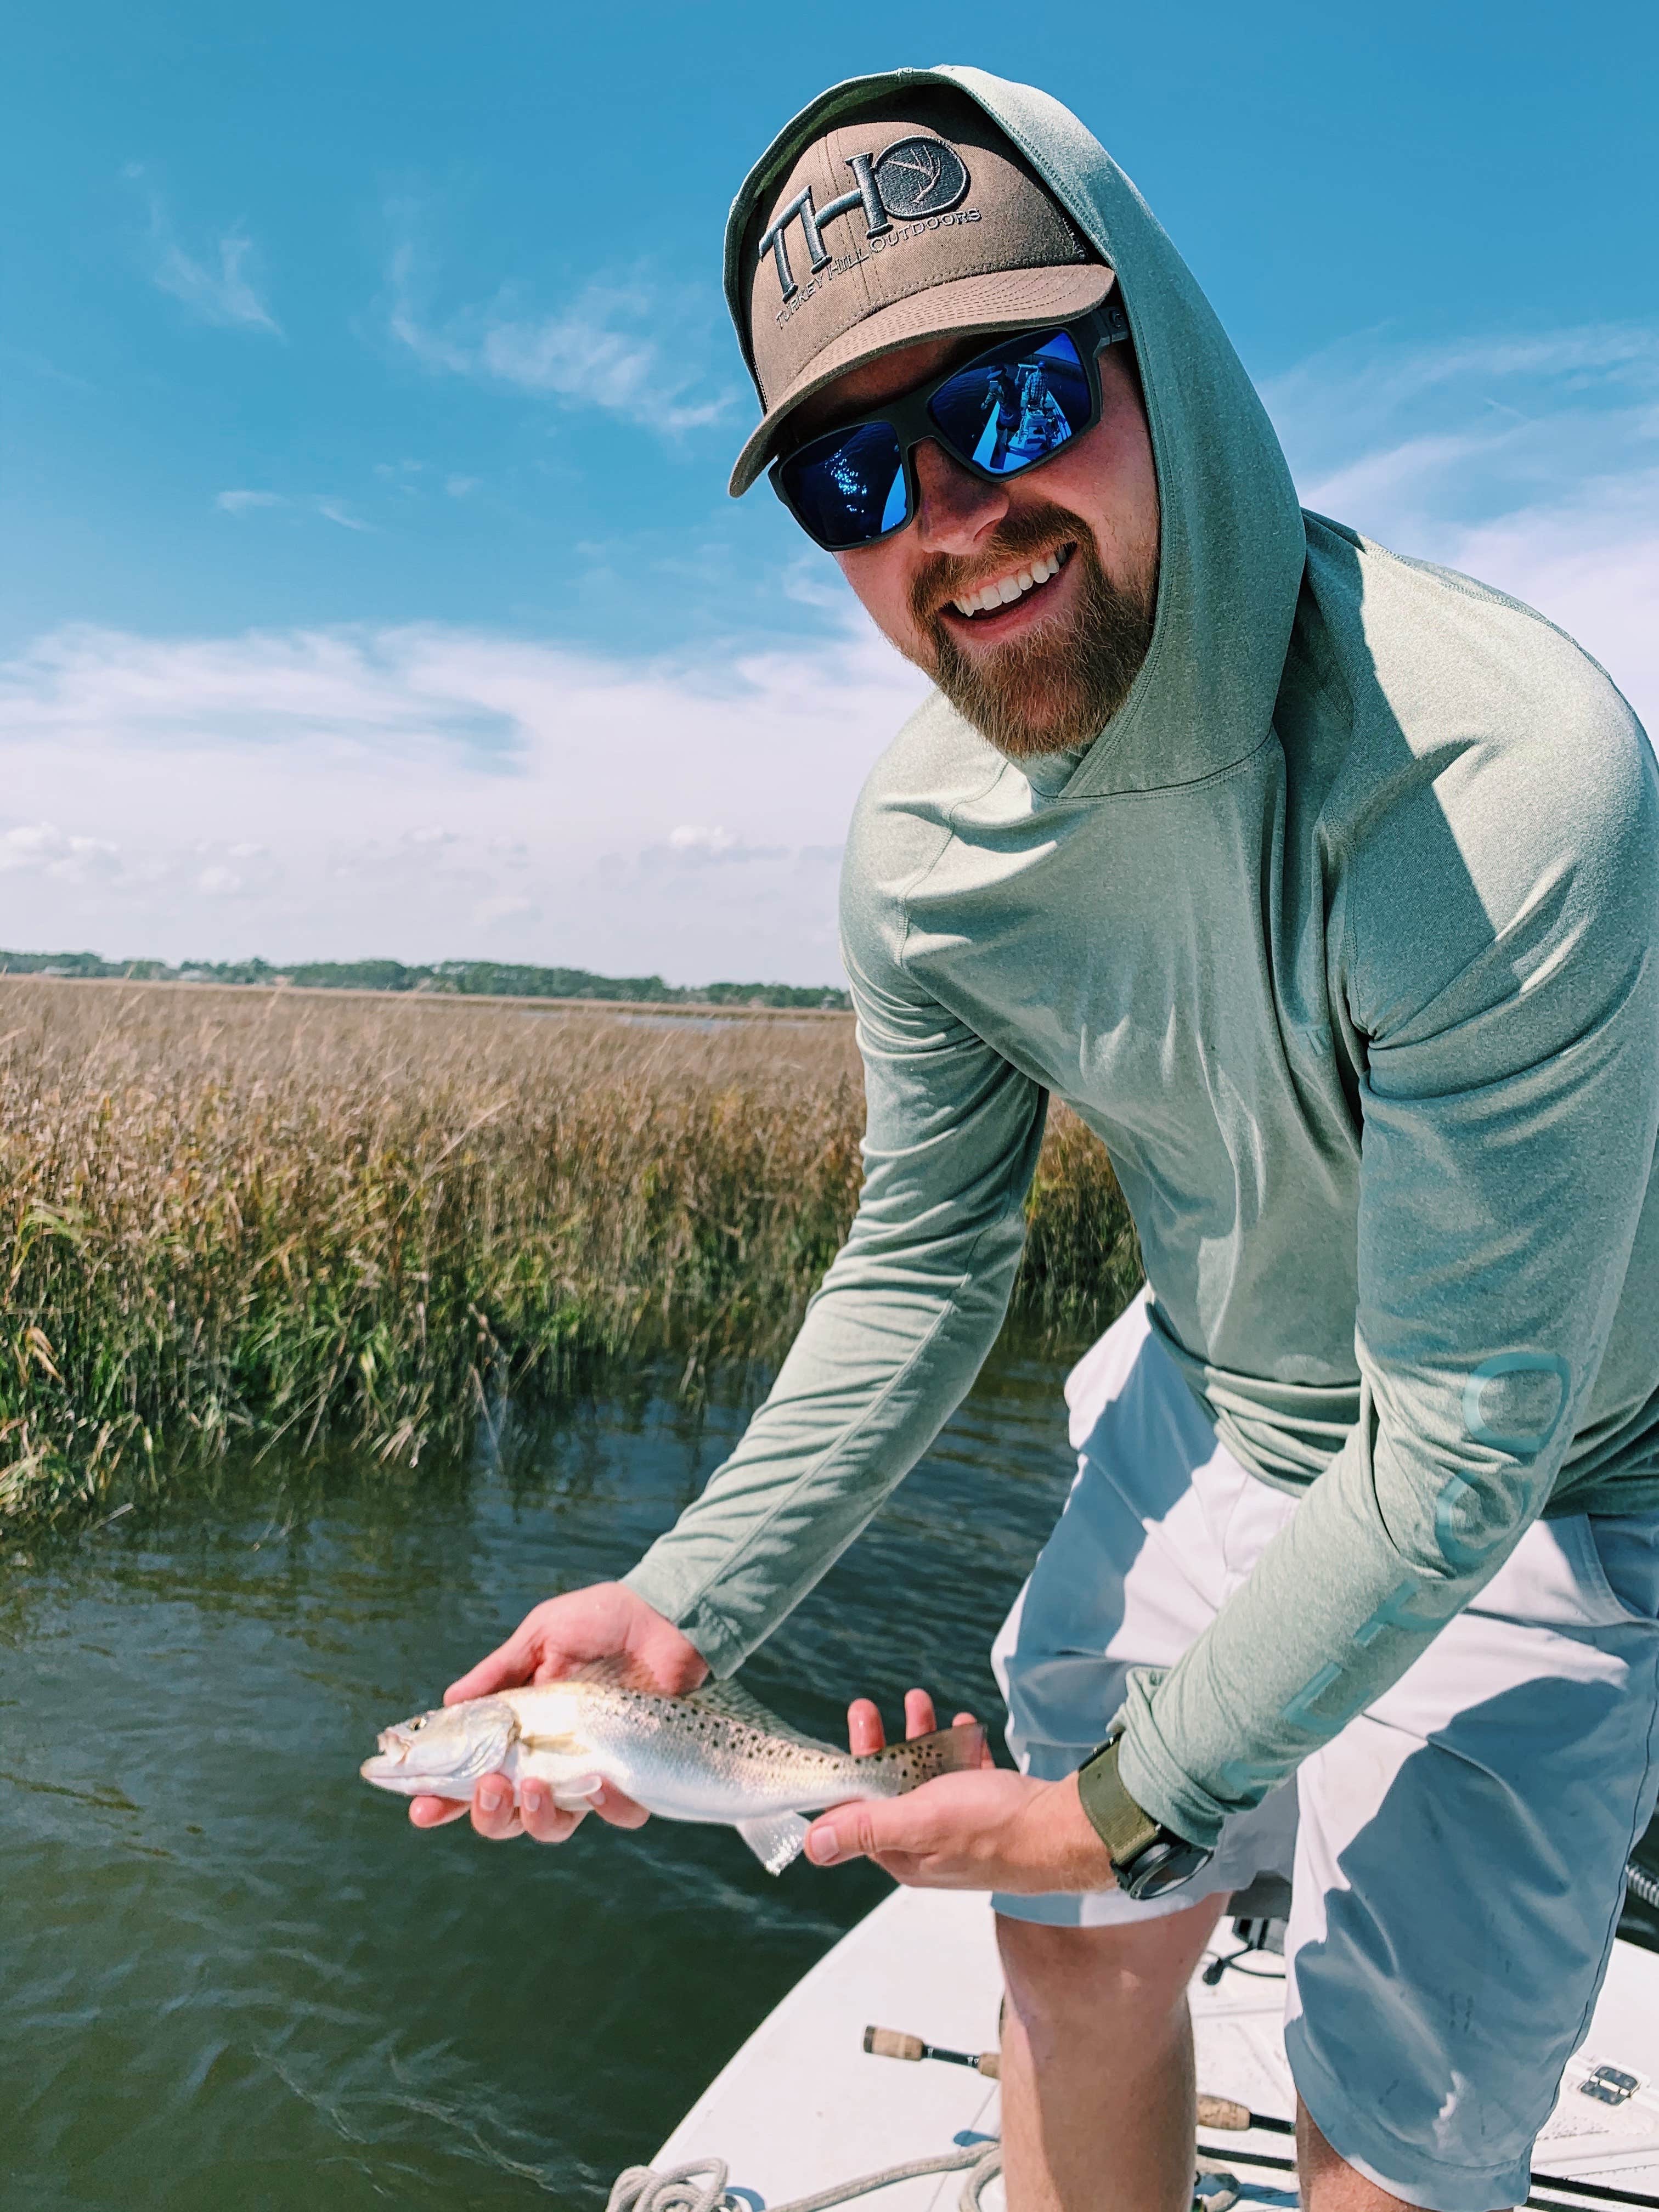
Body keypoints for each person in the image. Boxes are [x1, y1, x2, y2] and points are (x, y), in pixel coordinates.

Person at [413, 67, 1659, 2212]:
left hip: (1556, 1480)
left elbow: (1462, 1441)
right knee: (1073, 1973)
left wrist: (1121, 1794)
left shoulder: (1496, 772)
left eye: (1005, 404)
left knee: (1403, 2127)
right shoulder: (917, 857)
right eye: (845, 475)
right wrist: (684, 1602)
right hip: (1200, 1417)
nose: (945, 519)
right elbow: (922, 1260)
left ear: (1158, 360)